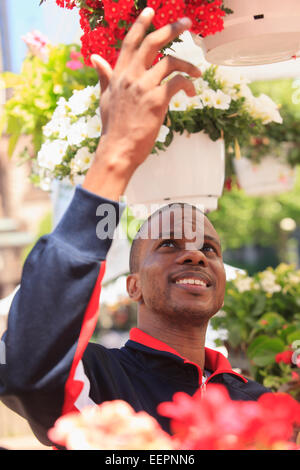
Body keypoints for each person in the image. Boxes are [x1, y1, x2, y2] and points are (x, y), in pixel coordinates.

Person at [0, 8, 268, 447]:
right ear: (133, 286)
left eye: (211, 250)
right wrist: (115, 158)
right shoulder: (101, 382)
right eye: (167, 243)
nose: (196, 254)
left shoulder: (255, 400)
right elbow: (24, 367)